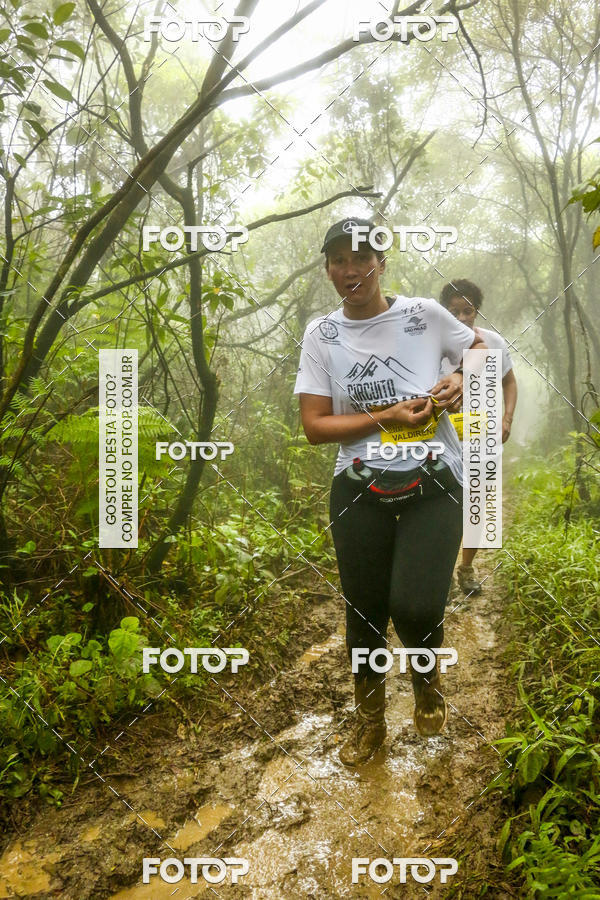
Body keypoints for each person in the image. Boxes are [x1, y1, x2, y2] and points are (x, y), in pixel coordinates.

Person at [294, 218, 488, 766]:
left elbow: (473, 345)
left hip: (434, 481)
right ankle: (370, 721)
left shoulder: (424, 313)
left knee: (416, 603)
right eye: (338, 259)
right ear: (329, 268)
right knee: (365, 613)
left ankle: (426, 682)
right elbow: (314, 426)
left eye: (361, 257)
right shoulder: (321, 335)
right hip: (358, 487)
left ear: (382, 262)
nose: (349, 269)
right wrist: (386, 416)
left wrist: (459, 378)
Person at [439, 279, 518, 595]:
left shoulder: (494, 343)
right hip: (444, 438)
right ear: (444, 312)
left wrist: (507, 419)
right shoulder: (434, 344)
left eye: (467, 310)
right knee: (442, 506)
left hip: (483, 439)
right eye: (454, 311)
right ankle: (440, 574)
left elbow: (509, 383)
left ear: (476, 311)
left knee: (477, 504)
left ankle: (467, 569)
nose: (461, 318)